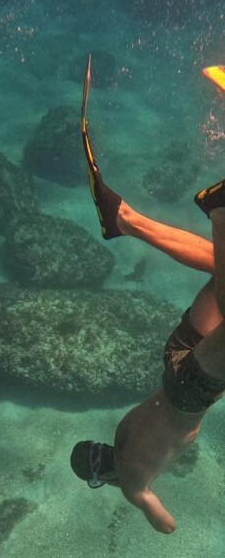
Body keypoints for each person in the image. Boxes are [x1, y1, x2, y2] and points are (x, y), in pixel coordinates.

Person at [70, 161, 225, 533]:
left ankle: (220, 212)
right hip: (174, 361)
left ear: (102, 475)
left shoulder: (132, 483)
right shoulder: (122, 433)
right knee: (218, 272)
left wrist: (141, 498)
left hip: (191, 392)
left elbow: (166, 526)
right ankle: (124, 219)